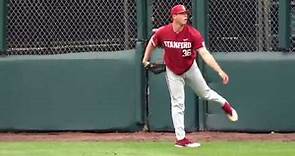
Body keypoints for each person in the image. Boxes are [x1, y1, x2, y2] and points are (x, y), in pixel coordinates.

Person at [142, 4, 238, 148]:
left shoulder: (193, 34)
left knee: (205, 93)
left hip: (190, 68)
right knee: (177, 103)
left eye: (186, 13)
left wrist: (219, 70)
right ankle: (181, 139)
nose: (186, 15)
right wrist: (145, 59)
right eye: (182, 13)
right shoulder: (163, 32)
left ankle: (224, 104)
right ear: (174, 16)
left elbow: (205, 54)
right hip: (173, 70)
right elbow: (152, 42)